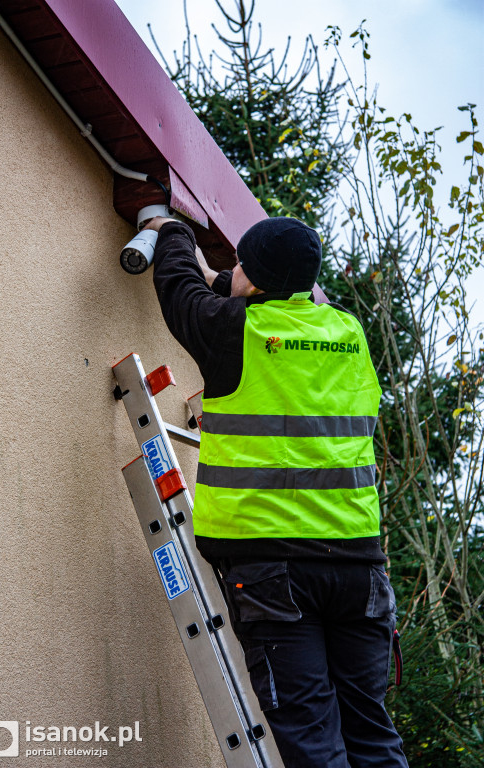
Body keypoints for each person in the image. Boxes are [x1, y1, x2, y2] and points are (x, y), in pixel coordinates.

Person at [145, 214, 409, 768]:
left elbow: (178, 289)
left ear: (257, 281)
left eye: (240, 263)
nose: (232, 269)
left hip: (274, 570)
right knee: (371, 733)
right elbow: (248, 298)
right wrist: (230, 278)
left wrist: (170, 230)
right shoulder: (347, 331)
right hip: (359, 568)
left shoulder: (234, 331)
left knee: (312, 738)